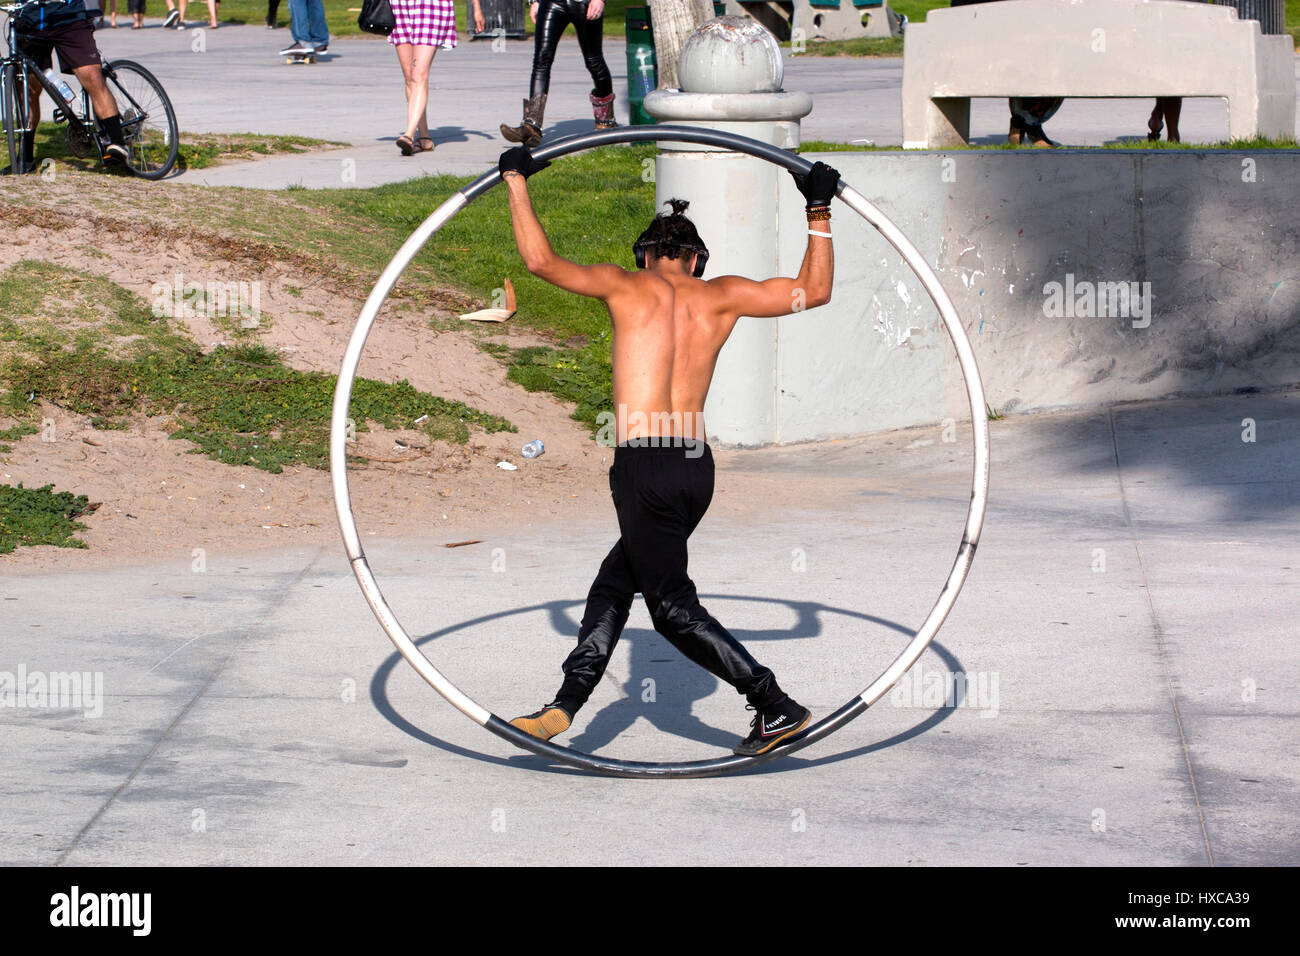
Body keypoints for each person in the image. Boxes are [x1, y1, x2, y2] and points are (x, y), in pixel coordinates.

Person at [498, 146, 839, 757]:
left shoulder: (625, 285)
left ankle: (775, 706)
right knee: (613, 585)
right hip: (693, 466)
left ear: (645, 255)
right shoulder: (724, 295)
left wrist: (516, 179)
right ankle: (563, 707)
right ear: (698, 260)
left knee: (672, 609)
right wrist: (818, 207)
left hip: (643, 462)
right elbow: (814, 293)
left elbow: (539, 260)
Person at [4, 0, 128, 174]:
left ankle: (117, 145)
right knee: (28, 88)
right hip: (29, 19)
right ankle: (25, 158)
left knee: (92, 77)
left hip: (68, 16)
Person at [500, 0, 617, 148]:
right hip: (552, 3)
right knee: (541, 61)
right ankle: (531, 127)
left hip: (584, 3)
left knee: (593, 61)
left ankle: (606, 120)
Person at [389, 0, 483, 154]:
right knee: (409, 77)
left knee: (418, 74)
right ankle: (425, 138)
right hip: (400, 6)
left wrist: (476, 7)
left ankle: (409, 134)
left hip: (430, 6)